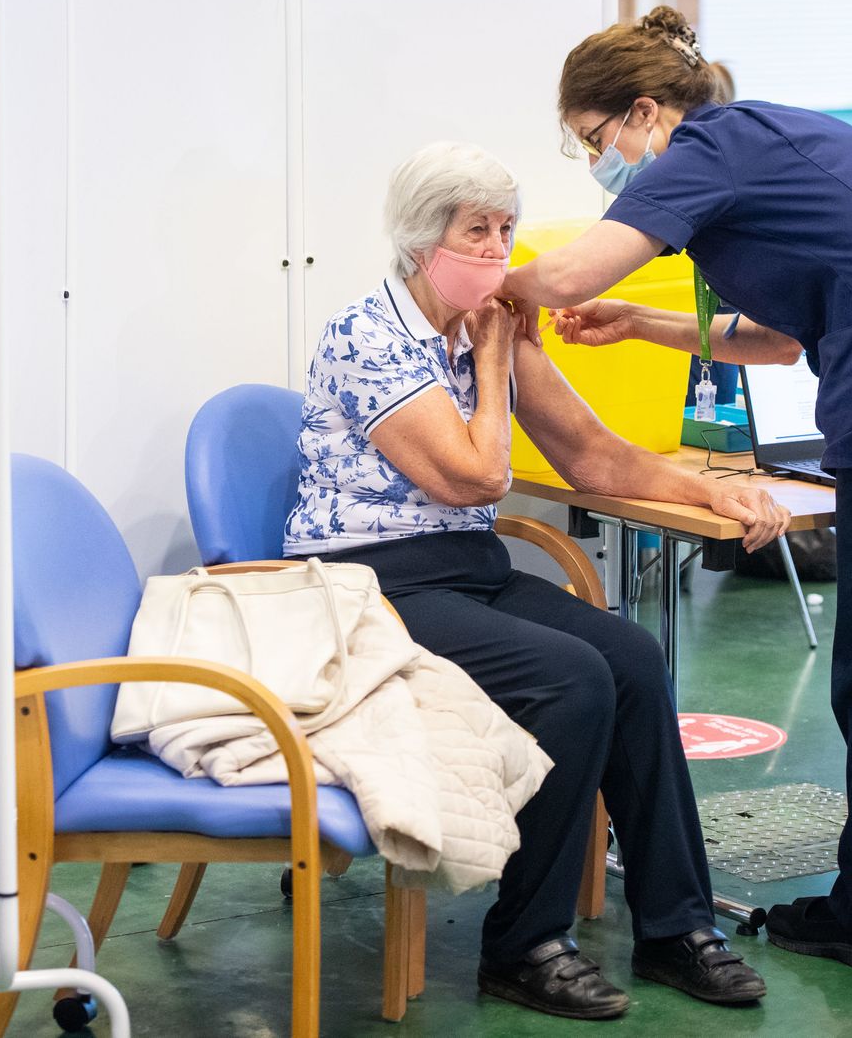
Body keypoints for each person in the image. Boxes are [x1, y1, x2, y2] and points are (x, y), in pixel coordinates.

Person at [500, 7, 852, 972]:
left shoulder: (705, 149)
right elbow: (781, 340)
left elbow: (572, 266)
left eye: (596, 143)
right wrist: (641, 323)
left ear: (644, 112)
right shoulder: (775, 137)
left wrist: (494, 289)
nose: (600, 164)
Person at [284, 142, 790, 1020]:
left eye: (505, 229)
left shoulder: (491, 324)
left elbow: (591, 454)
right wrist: (492, 358)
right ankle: (524, 943)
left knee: (631, 656)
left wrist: (714, 488)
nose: (495, 248)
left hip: (464, 570)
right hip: (368, 586)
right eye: (474, 231)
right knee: (570, 678)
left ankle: (676, 926)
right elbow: (475, 479)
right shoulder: (369, 335)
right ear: (418, 240)